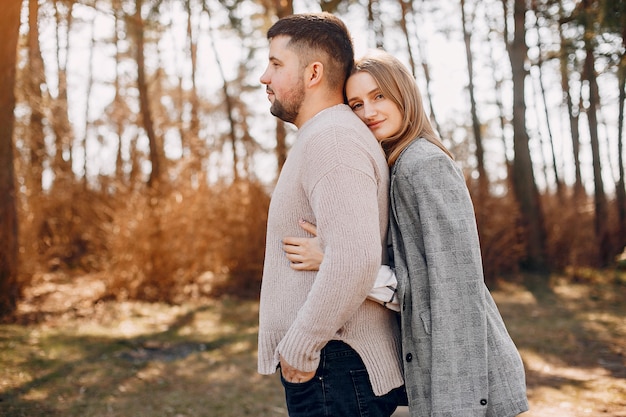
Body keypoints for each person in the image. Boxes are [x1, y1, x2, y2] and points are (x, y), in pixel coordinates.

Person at [282, 49, 529, 417]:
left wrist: (338, 262)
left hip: (467, 372)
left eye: (379, 96)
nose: (369, 112)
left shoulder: (424, 165)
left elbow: (451, 290)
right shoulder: (396, 164)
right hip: (442, 365)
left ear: (405, 95)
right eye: (357, 104)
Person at [257, 14, 405, 417]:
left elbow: (354, 259)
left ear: (313, 73)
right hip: (331, 365)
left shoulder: (333, 138)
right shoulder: (323, 135)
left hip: (333, 364)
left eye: (275, 63)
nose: (263, 77)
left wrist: (300, 350)